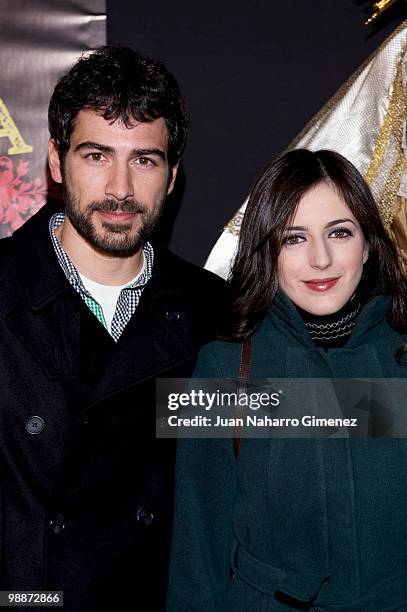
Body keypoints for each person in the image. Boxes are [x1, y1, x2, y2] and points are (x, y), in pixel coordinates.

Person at [0, 46, 225, 611]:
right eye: (97, 155)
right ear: (56, 161)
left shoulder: (214, 313)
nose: (121, 189)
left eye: (145, 160)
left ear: (173, 175)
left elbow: (302, 431)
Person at [167, 149, 407, 611]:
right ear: (267, 250)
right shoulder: (219, 368)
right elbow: (197, 550)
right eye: (294, 238)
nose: (320, 259)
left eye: (339, 232)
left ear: (368, 243)